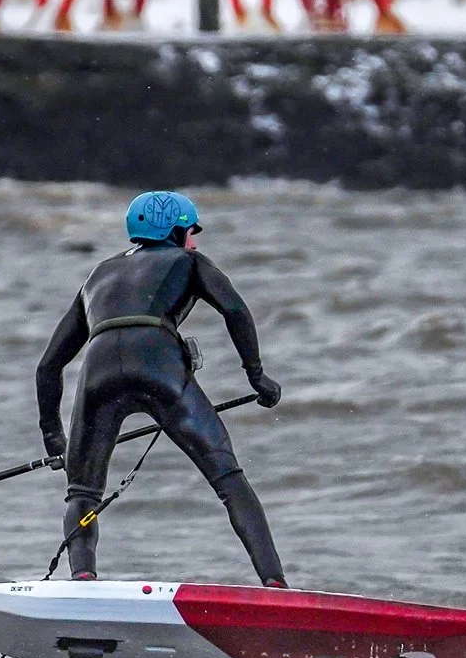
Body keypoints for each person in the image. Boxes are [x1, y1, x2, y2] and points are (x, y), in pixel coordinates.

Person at [35, 191, 286, 586]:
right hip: (159, 364)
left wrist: (53, 435)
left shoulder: (98, 274)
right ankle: (274, 583)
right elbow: (235, 309)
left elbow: (49, 365)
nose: (196, 240)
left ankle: (83, 579)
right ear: (174, 231)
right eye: (192, 231)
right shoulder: (188, 261)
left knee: (82, 495)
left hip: (98, 370)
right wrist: (257, 376)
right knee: (229, 479)